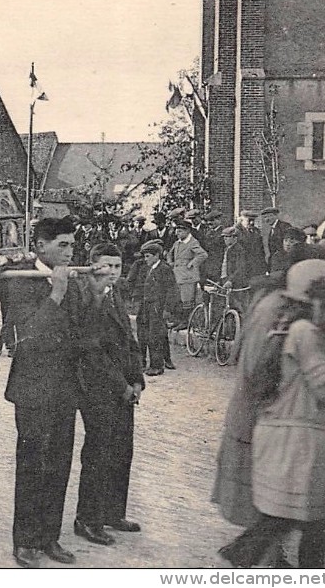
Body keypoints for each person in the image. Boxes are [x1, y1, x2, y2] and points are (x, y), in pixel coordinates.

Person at [219, 260, 325, 569]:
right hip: (298, 440)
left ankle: (245, 558)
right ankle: (243, 559)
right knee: (300, 521)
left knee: (304, 521)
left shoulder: (288, 325)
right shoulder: (306, 332)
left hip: (295, 438)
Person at [0, 216, 81, 568]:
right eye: (62, 245)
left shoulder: (70, 279)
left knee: (59, 464)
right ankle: (26, 541)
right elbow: (28, 337)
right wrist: (57, 293)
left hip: (65, 387)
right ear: (41, 245)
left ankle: (50, 537)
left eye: (73, 245)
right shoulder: (20, 279)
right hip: (33, 387)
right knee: (33, 464)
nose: (69, 251)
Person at [212, 285, 305, 566]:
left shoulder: (271, 303)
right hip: (267, 419)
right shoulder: (278, 311)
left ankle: (260, 553)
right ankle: (260, 556)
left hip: (262, 416)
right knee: (276, 495)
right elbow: (259, 370)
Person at [72, 243, 145, 547]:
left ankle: (113, 512)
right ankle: (87, 519)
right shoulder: (87, 297)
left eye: (117, 266)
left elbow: (129, 340)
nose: (113, 272)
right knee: (99, 452)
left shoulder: (116, 294)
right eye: (106, 266)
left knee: (121, 450)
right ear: (92, 265)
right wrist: (122, 385)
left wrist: (138, 380)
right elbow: (92, 351)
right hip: (99, 388)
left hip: (124, 389)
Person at [138, 242, 179, 376]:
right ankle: (157, 361)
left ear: (156, 256)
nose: (146, 259)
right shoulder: (149, 268)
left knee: (154, 335)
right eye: (144, 257)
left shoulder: (164, 269)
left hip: (158, 306)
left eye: (148, 256)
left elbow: (172, 290)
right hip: (147, 305)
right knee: (145, 333)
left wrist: (167, 309)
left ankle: (157, 366)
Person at [168, 220, 208, 329]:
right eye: (177, 231)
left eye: (180, 231)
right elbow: (169, 254)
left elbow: (203, 254)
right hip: (177, 275)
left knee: (187, 300)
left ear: (187, 231)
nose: (177, 233)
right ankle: (178, 321)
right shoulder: (177, 243)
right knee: (178, 299)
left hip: (188, 276)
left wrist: (192, 263)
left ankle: (186, 322)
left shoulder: (193, 242)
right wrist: (170, 262)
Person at [258, 207, 291, 272]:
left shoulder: (284, 226)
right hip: (276, 262)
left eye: (269, 216)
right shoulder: (272, 229)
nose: (266, 219)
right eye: (264, 217)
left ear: (275, 216)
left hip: (283, 262)